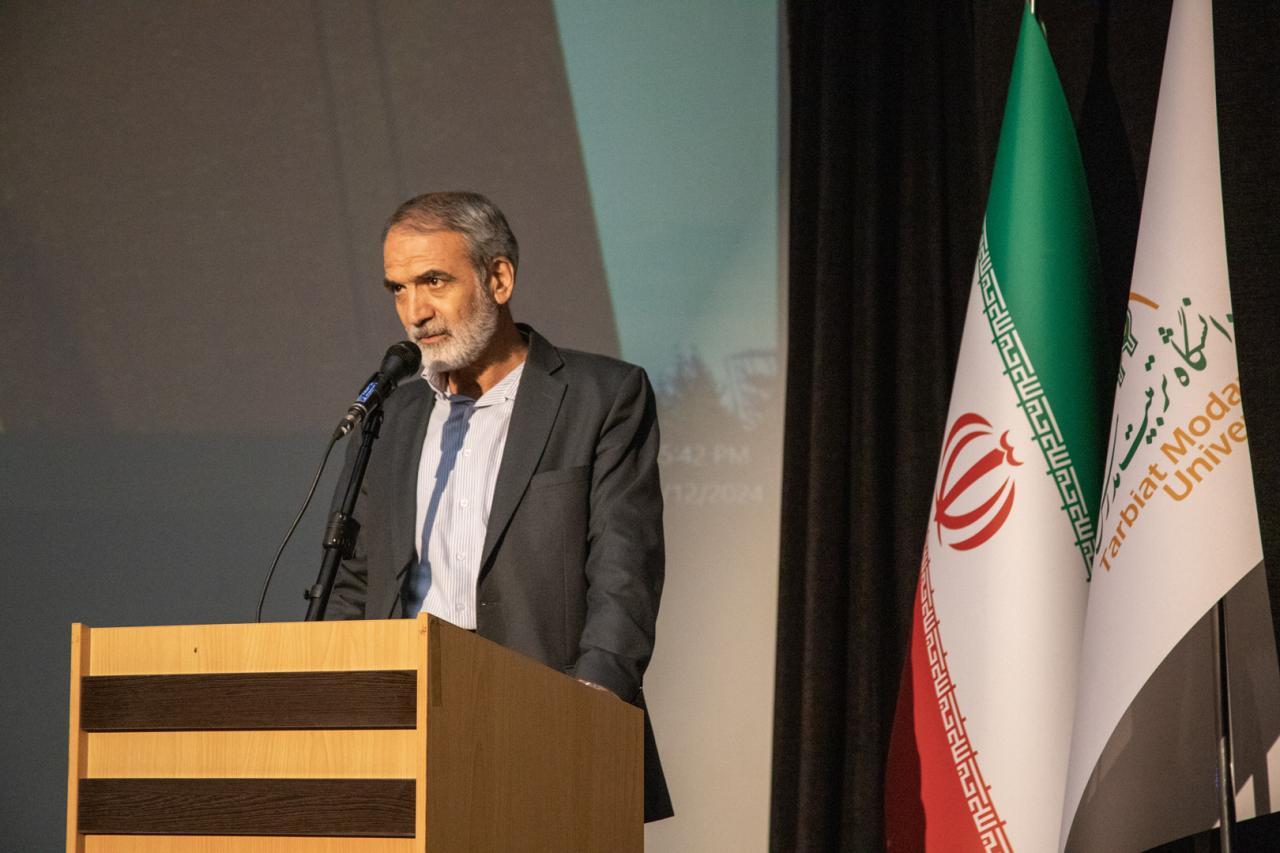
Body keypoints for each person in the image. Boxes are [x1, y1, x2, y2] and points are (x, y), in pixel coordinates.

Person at [325, 191, 673, 822]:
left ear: (499, 278)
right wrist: (333, 711)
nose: (415, 312)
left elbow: (625, 574)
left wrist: (585, 715)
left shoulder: (601, 396)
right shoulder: (391, 416)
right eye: (399, 289)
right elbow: (355, 583)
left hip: (551, 729)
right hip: (400, 735)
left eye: (434, 281)